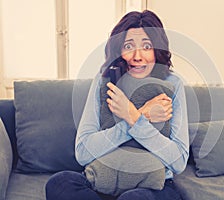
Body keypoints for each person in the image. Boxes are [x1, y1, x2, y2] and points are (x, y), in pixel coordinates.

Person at [45, 10, 189, 200]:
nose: (137, 56)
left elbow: (178, 161)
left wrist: (133, 117)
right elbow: (83, 152)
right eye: (128, 46)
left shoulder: (174, 83)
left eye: (146, 46)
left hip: (152, 187)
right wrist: (140, 116)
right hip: (101, 180)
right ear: (118, 51)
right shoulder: (104, 81)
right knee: (59, 184)